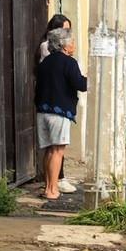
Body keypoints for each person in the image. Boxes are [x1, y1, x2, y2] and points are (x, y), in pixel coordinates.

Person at [34, 28, 86, 199]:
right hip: (59, 112)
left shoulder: (45, 63)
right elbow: (80, 84)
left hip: (43, 111)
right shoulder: (69, 63)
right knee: (58, 150)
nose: (74, 45)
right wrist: (91, 78)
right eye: (72, 42)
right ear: (64, 45)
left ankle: (48, 186)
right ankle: (52, 190)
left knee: (49, 150)